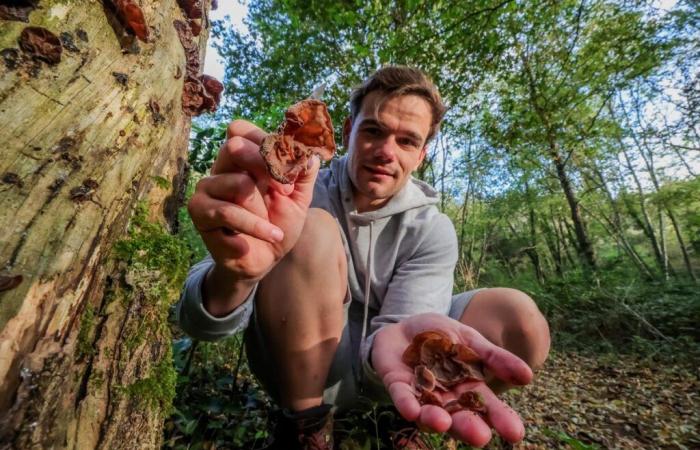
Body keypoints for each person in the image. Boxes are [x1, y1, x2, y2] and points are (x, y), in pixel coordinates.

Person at [176, 65, 551, 449]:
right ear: (346, 132)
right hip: (300, 367)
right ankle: (306, 429)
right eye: (373, 131)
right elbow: (199, 322)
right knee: (311, 226)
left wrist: (400, 353)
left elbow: (406, 330)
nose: (386, 151)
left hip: (388, 363)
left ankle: (403, 413)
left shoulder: (431, 228)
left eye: (406, 141)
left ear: (420, 155)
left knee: (520, 320)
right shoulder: (293, 190)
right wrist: (237, 275)